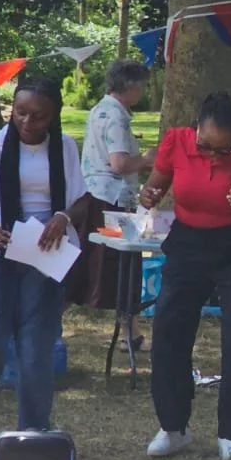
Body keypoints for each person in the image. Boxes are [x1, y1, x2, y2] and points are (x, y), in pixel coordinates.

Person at [138, 92, 231, 460]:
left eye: (223, 150)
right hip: (188, 241)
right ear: (195, 131)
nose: (212, 155)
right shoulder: (176, 142)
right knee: (170, 329)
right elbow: (157, 184)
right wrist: (150, 194)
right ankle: (173, 427)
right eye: (205, 145)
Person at [0, 77, 83, 451]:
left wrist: (63, 218)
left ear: (53, 116)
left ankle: (34, 429)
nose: (26, 122)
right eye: (19, 112)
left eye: (38, 116)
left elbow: (82, 200)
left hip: (44, 256)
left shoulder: (65, 148)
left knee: (36, 348)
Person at [72, 59, 154, 347]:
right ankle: (130, 333)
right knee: (118, 266)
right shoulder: (116, 118)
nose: (143, 92)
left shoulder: (100, 109)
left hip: (99, 194)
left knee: (111, 266)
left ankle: (131, 333)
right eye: (142, 86)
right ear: (130, 87)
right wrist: (146, 160)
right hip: (112, 199)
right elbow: (119, 163)